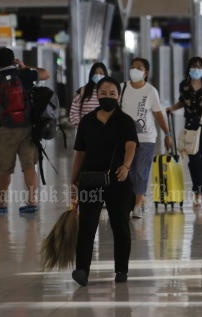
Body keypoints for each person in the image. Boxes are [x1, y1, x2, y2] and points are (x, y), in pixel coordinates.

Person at [70, 77, 138, 287]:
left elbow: (131, 146)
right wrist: (73, 181)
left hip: (118, 180)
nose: (107, 97)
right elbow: (79, 154)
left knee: (120, 226)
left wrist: (126, 167)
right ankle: (82, 270)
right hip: (90, 180)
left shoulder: (125, 121)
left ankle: (121, 270)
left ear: (118, 96)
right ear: (96, 95)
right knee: (87, 227)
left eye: (112, 93)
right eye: (103, 93)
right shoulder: (87, 121)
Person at [0, 48, 50, 214]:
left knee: (4, 168)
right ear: (14, 60)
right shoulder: (25, 75)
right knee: (28, 166)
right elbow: (46, 74)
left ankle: (1, 204)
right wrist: (25, 66)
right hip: (27, 128)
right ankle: (32, 202)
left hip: (6, 130)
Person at [166, 57, 202, 208]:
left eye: (198, 67)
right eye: (193, 66)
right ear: (188, 69)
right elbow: (183, 101)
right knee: (195, 162)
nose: (195, 69)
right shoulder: (184, 86)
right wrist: (172, 108)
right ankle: (198, 193)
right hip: (191, 128)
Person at [120, 57, 171, 218]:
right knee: (127, 171)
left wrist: (167, 134)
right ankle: (132, 200)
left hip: (146, 138)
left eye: (139, 68)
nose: (135, 70)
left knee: (140, 172)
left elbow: (158, 114)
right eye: (133, 67)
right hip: (126, 138)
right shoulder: (122, 88)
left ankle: (138, 204)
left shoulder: (150, 91)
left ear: (146, 73)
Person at [68, 62, 108, 127]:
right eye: (95, 73)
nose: (98, 75)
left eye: (101, 73)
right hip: (85, 132)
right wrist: (80, 126)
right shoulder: (83, 91)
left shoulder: (109, 92)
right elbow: (74, 112)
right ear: (91, 75)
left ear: (105, 75)